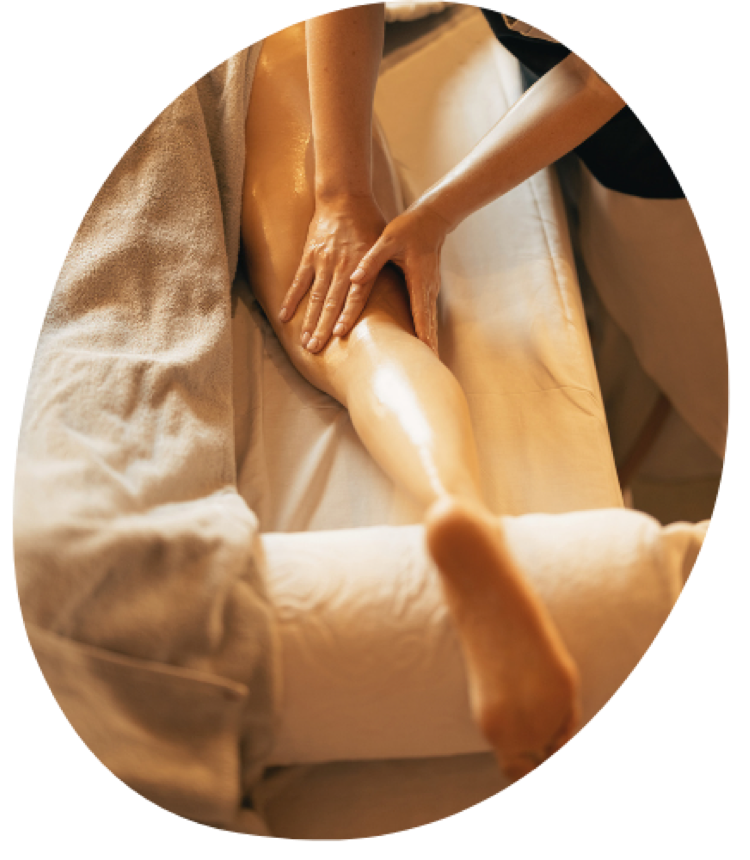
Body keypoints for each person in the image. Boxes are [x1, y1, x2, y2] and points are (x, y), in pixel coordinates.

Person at [240, 12, 585, 784]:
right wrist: (340, 196)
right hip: (261, 62)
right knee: (362, 338)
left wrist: (348, 199)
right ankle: (455, 504)